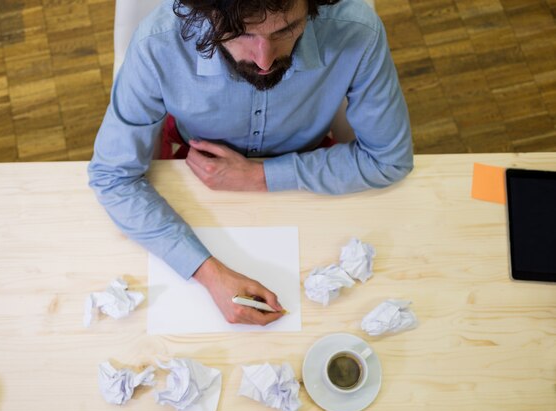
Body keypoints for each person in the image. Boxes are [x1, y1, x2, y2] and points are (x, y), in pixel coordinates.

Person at [88, 0, 413, 326]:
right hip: (195, 168)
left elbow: (389, 159)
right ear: (206, 14)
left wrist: (260, 176)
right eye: (241, 34)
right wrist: (209, 274)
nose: (264, 61)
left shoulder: (357, 30)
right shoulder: (157, 42)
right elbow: (112, 176)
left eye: (287, 29)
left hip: (306, 171)